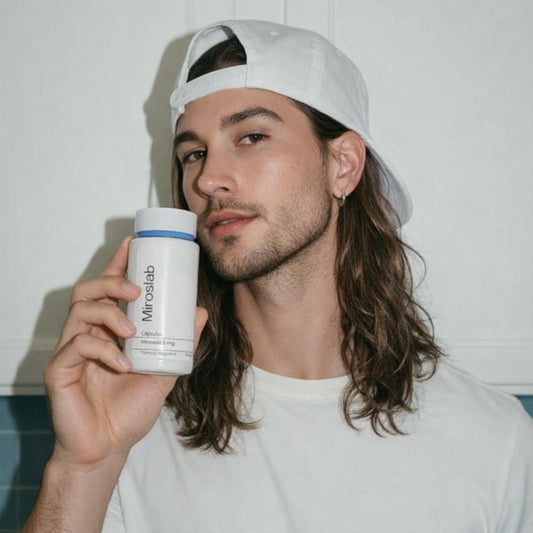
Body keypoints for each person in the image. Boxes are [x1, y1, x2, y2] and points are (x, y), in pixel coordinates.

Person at [24, 20, 533, 533]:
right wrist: (83, 467)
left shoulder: (496, 442)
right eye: (194, 153)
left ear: (343, 165)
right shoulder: (131, 423)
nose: (207, 179)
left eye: (251, 137)